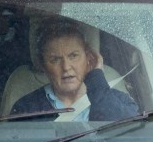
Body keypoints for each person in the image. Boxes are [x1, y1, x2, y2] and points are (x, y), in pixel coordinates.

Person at [10, 18, 138, 121]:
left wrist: (96, 80)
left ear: (88, 58)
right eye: (55, 59)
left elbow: (129, 139)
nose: (66, 67)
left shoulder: (120, 102)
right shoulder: (25, 109)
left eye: (73, 56)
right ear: (44, 66)